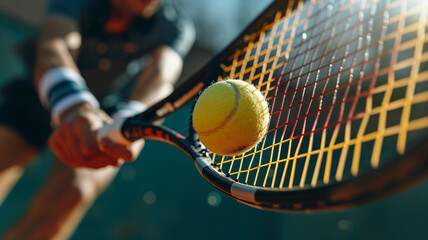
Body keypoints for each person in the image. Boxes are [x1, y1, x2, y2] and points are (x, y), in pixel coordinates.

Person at [0, 0, 194, 238]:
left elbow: (161, 77)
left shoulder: (175, 26)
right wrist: (73, 106)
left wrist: (131, 122)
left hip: (110, 114)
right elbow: (55, 46)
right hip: (35, 95)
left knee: (75, 191)